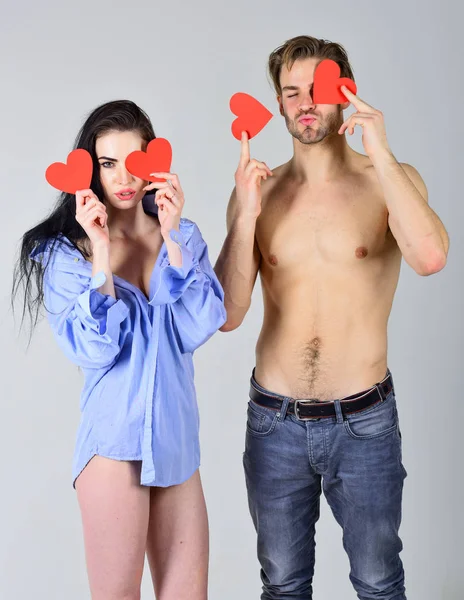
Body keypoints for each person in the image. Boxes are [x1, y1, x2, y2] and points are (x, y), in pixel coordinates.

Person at [214, 35, 449, 600]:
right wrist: (244, 214)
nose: (304, 103)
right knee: (283, 585)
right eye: (290, 92)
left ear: (345, 91)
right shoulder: (259, 193)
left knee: (377, 583)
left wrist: (382, 148)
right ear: (278, 104)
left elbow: (430, 257)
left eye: (317, 88)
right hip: (274, 423)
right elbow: (228, 314)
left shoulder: (388, 179)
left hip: (363, 424)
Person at [13, 100, 226, 600]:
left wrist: (171, 236)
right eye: (108, 163)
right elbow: (93, 349)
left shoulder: (184, 236)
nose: (124, 177)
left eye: (135, 161)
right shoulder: (67, 254)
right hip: (113, 450)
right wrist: (102, 251)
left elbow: (199, 326)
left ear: (153, 161)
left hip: (177, 447)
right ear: (89, 168)